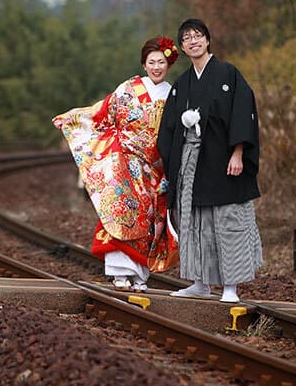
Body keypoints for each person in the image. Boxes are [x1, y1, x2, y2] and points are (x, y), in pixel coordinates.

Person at [53, 36, 180, 291]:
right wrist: (74, 119)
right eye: (152, 62)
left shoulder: (174, 94)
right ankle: (120, 274)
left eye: (161, 62)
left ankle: (140, 276)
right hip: (125, 162)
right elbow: (102, 113)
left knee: (149, 220)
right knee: (120, 212)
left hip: (156, 168)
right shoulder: (128, 89)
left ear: (168, 65)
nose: (157, 67)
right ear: (144, 65)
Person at [157, 18, 263, 302]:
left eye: (198, 36)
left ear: (207, 39)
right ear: (182, 46)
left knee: (227, 221)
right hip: (192, 163)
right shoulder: (182, 83)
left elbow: (243, 113)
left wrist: (238, 152)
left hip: (224, 160)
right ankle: (200, 282)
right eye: (187, 38)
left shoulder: (228, 73)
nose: (193, 41)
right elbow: (169, 128)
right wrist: (174, 161)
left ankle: (231, 286)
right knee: (194, 222)